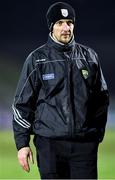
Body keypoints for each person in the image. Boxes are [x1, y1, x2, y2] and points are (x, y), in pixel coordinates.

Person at [12, 2, 109, 179]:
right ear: (51, 27)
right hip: (49, 145)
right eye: (60, 23)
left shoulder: (90, 57)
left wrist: (95, 135)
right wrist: (22, 144)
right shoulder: (37, 60)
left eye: (69, 22)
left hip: (84, 146)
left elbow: (102, 100)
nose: (66, 27)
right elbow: (21, 105)